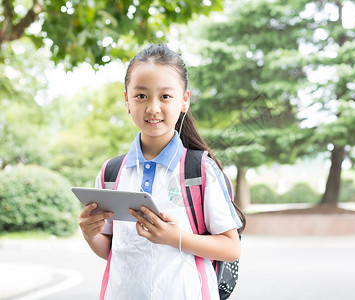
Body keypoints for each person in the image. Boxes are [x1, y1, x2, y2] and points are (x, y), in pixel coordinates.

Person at [78, 44, 244, 300]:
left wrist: (174, 237)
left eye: (165, 96)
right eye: (141, 96)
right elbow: (111, 249)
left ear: (184, 101)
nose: (153, 108)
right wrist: (90, 234)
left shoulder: (199, 170)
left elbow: (231, 248)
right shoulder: (112, 172)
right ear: (127, 101)